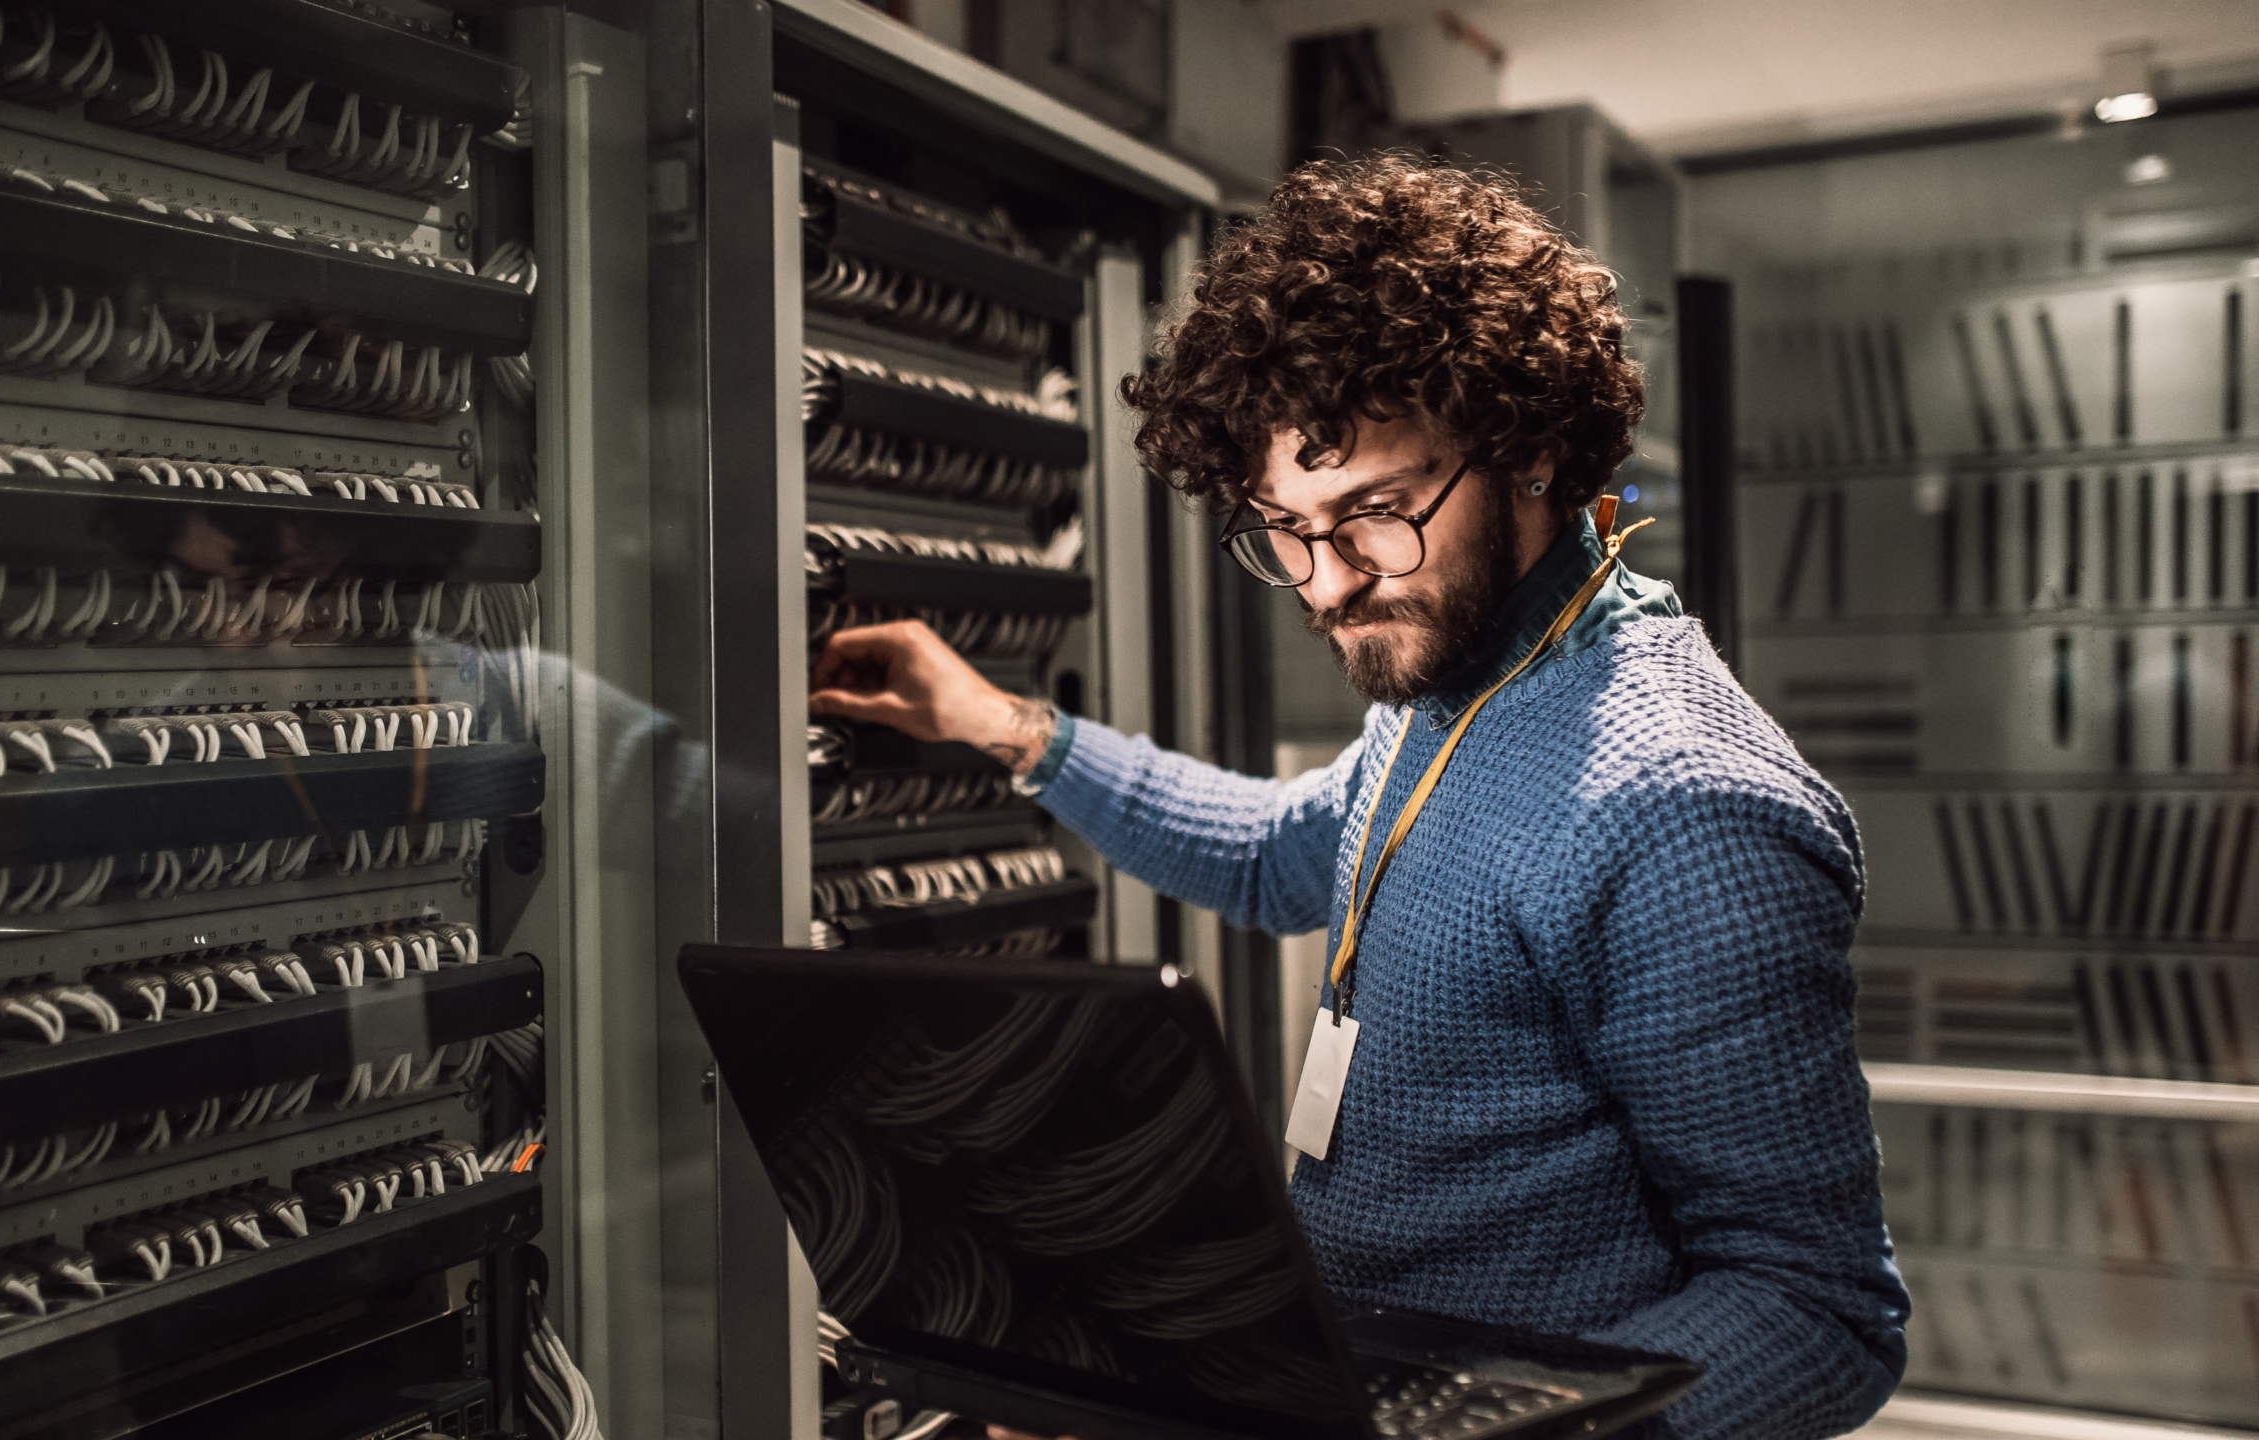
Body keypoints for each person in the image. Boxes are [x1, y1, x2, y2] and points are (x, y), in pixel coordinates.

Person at [807, 156, 1908, 1440]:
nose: (1325, 584)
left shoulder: (1681, 811)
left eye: (1375, 514)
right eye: (1284, 527)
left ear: (1535, 446)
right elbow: (1284, 853)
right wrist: (1003, 727)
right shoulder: (1458, 697)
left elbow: (1815, 1313)